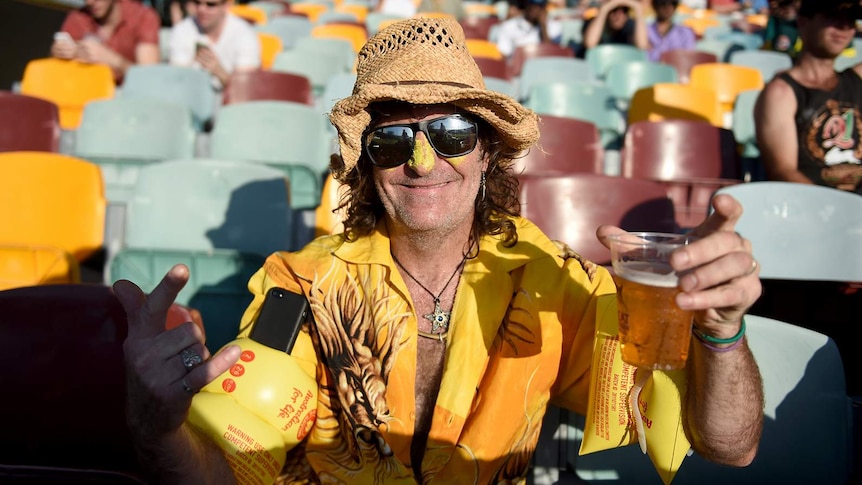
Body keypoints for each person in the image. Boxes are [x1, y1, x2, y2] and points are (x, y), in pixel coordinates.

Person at [117, 17, 764, 483]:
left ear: (488, 152)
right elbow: (229, 470)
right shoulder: (300, 283)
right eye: (394, 141)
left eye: (452, 134)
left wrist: (720, 332)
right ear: (366, 164)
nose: (423, 163)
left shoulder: (555, 281)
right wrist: (161, 432)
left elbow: (728, 445)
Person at [754, 0, 862, 193]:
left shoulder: (856, 79)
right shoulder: (781, 92)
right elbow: (783, 172)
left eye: (851, 20)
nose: (844, 27)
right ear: (803, 22)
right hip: (816, 208)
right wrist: (845, 209)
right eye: (833, 17)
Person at [50, 0, 161, 83]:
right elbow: (56, 73)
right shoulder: (78, 18)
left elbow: (149, 81)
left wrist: (113, 60)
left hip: (129, 101)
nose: (90, 2)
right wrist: (59, 52)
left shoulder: (143, 17)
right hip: (86, 96)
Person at [169, 0, 261, 88]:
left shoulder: (244, 34)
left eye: (210, 5)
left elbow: (245, 89)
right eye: (197, 3)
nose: (202, 9)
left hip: (230, 102)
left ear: (226, 6)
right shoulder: (182, 30)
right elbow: (176, 82)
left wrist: (218, 71)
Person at [496, 0, 564, 57]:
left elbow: (552, 55)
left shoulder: (554, 26)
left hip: (545, 68)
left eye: (540, 5)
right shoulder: (509, 26)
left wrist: (543, 26)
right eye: (532, 3)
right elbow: (505, 55)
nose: (535, 8)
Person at [582, 0, 649, 53]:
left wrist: (637, 9)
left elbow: (642, 46)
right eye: (614, 10)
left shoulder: (631, 25)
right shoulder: (595, 23)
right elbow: (590, 44)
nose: (618, 16)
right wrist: (604, 9)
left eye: (624, 10)